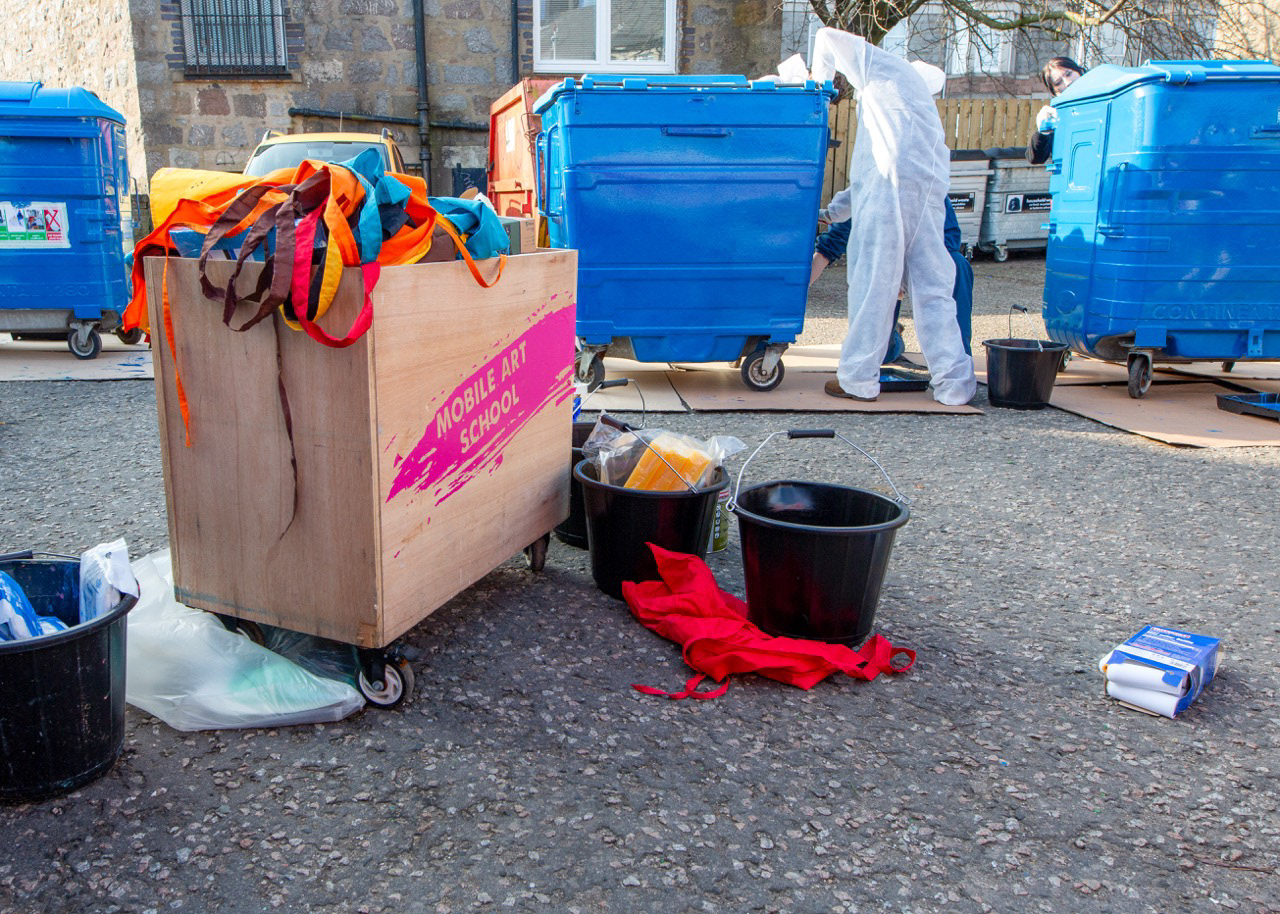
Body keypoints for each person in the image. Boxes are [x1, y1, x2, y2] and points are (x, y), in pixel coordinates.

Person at [809, 27, 976, 404]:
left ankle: (857, 380)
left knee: (872, 285)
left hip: (889, 197)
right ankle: (954, 385)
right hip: (927, 199)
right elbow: (880, 175)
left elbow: (826, 35)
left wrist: (819, 88)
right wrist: (832, 213)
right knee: (935, 292)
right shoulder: (921, 112)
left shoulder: (882, 70)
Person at [813, 194, 974, 358]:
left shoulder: (929, 183)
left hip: (926, 263)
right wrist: (791, 295)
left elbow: (950, 242)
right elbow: (826, 250)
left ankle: (958, 357)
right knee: (876, 355)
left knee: (956, 264)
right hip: (884, 269)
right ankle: (892, 336)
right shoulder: (868, 189)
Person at [1026, 57, 1085, 165]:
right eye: (1058, 83)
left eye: (1068, 74)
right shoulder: (1056, 115)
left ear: (1079, 71)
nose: (1067, 82)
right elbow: (1035, 158)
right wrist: (1043, 131)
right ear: (1054, 92)